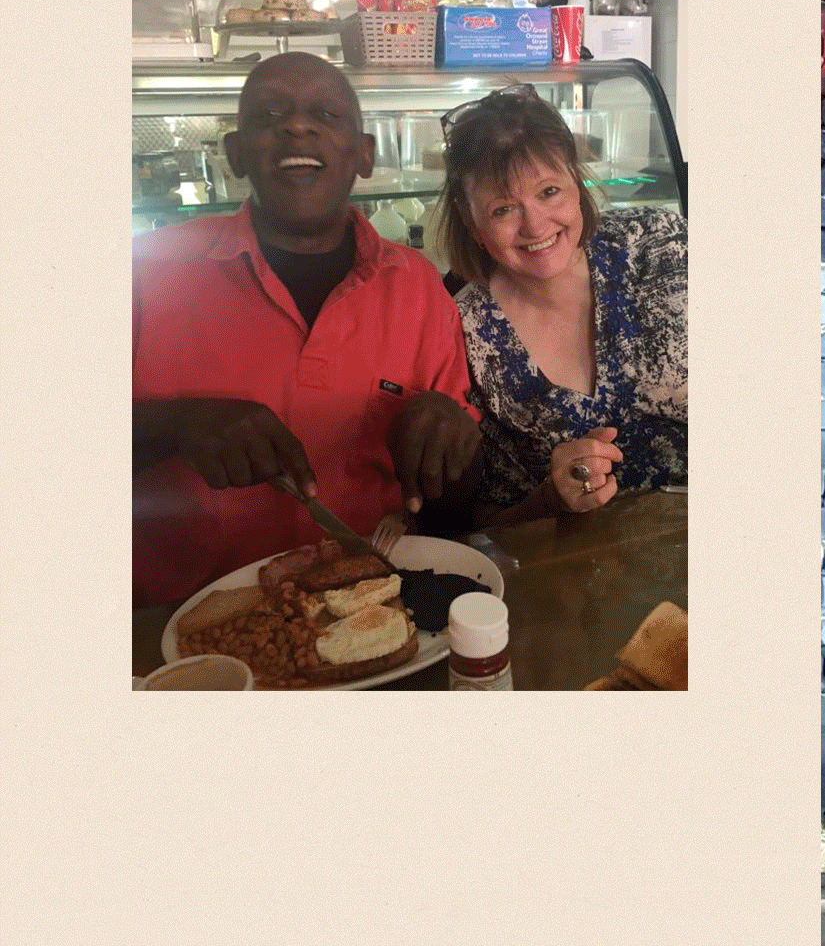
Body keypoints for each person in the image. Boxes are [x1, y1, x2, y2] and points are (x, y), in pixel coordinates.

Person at [133, 52, 482, 609]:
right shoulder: (145, 271)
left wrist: (446, 430)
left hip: (376, 609)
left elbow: (453, 490)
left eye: (326, 113)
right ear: (234, 155)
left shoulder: (417, 287)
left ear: (364, 155)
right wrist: (174, 423)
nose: (297, 125)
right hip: (181, 623)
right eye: (269, 114)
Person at [433, 85, 687, 524]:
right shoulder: (466, 332)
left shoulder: (658, 246)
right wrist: (552, 499)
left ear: (577, 178)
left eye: (549, 192)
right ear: (470, 220)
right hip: (582, 569)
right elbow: (483, 521)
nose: (535, 225)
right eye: (502, 209)